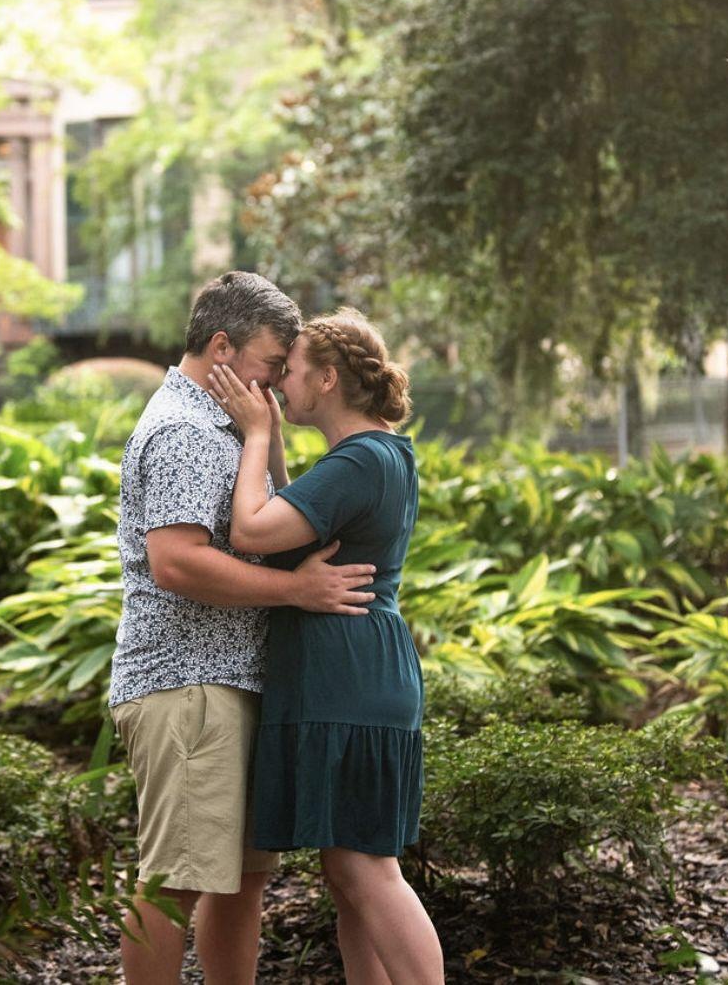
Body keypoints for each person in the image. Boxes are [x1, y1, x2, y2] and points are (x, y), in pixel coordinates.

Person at [108, 272, 378, 985]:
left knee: (239, 881)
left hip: (233, 681)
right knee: (176, 880)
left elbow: (270, 526)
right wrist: (296, 591)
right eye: (271, 364)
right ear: (222, 347)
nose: (280, 383)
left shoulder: (228, 427)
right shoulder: (186, 431)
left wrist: (270, 438)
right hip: (189, 684)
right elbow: (176, 562)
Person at [206, 307, 445, 985]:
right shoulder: (378, 454)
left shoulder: (359, 459)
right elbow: (297, 526)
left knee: (364, 869)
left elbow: (252, 533)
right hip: (362, 670)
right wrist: (277, 448)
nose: (278, 382)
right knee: (348, 875)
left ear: (329, 378)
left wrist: (256, 435)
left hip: (349, 677)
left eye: (291, 370)